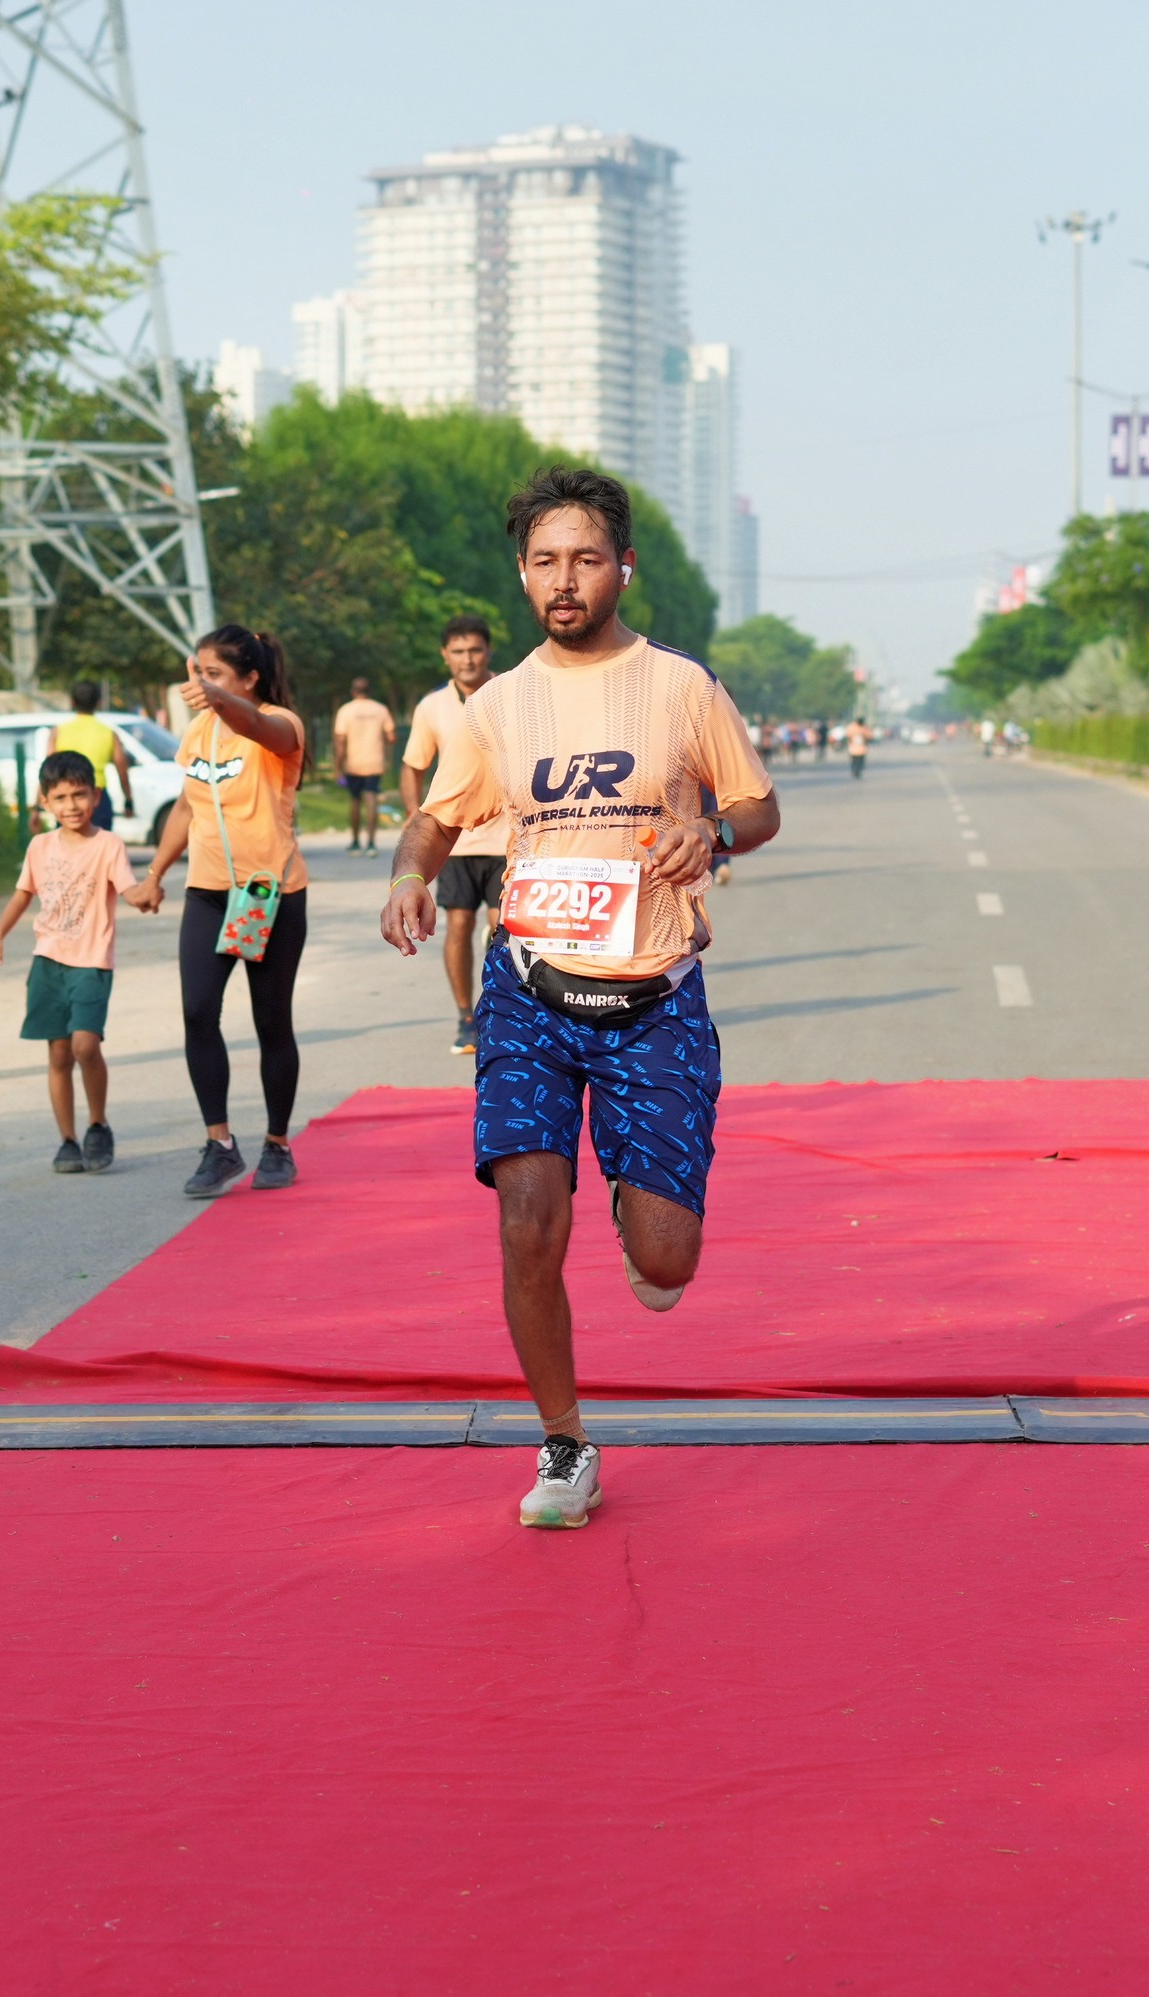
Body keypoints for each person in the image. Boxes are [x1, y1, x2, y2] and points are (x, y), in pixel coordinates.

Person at [381, 466, 778, 1529]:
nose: (565, 580)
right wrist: (410, 875)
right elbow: (437, 815)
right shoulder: (498, 704)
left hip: (654, 997)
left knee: (664, 1260)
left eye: (586, 559)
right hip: (530, 993)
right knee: (525, 1224)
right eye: (545, 561)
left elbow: (756, 802)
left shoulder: (680, 687)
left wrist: (715, 829)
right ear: (522, 573)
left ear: (623, 568)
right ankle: (563, 1441)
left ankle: (633, 1196)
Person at [126, 625, 308, 1198]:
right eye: (199, 673)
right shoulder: (199, 731)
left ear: (249, 678)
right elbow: (187, 804)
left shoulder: (281, 724)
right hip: (207, 891)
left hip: (269, 892)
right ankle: (219, 1144)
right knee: (198, 1012)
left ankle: (277, 1144)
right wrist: (154, 875)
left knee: (271, 1021)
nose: (202, 685)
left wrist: (218, 699)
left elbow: (255, 726)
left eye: (216, 674)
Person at [0, 750, 137, 1174]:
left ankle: (98, 1124)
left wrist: (147, 891)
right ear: (45, 802)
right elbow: (22, 895)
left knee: (86, 1045)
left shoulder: (108, 845)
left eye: (80, 795)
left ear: (96, 796)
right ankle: (68, 1140)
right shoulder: (40, 846)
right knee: (59, 1054)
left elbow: (129, 889)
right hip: (48, 963)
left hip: (91, 962)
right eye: (61, 797)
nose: (71, 805)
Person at [399, 613, 507, 1055]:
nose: (468, 659)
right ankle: (466, 1016)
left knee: (504, 928)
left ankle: (500, 1013)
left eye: (475, 650)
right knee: (459, 924)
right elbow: (413, 766)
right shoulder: (431, 707)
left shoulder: (511, 694)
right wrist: (415, 815)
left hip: (508, 837)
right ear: (445, 655)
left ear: (488, 652)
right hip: (455, 840)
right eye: (458, 651)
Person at [50, 679, 136, 833]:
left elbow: (48, 769)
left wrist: (38, 805)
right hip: (97, 798)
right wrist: (128, 800)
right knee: (101, 844)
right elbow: (122, 770)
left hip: (68, 798)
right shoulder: (109, 733)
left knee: (69, 844)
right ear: (98, 703)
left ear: (72, 702)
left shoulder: (59, 732)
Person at [332, 675, 396, 854]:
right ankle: (371, 843)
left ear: (353, 691)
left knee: (355, 801)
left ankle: (355, 842)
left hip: (353, 763)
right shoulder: (381, 709)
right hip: (374, 761)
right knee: (371, 799)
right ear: (370, 691)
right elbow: (392, 737)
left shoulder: (345, 711)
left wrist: (338, 765)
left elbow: (341, 741)